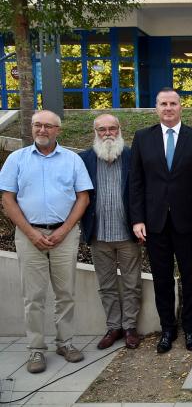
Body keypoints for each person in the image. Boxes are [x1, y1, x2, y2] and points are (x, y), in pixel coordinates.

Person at [0, 110, 93, 373]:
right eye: (37, 125)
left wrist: (64, 230)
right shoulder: (16, 160)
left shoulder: (72, 160)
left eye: (48, 126)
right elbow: (8, 200)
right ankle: (36, 350)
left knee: (66, 294)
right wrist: (31, 233)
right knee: (33, 297)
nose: (42, 130)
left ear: (58, 131)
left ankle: (65, 343)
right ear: (31, 128)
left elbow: (83, 197)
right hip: (29, 236)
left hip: (64, 235)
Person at [129, 88, 192, 353]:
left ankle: (190, 329)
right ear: (156, 107)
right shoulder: (142, 138)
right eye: (163, 103)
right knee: (161, 278)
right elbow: (136, 182)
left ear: (181, 107)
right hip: (154, 224)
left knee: (189, 277)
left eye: (172, 103)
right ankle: (167, 329)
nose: (168, 108)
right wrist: (137, 219)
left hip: (188, 223)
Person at [79, 114, 142, 350]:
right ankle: (113, 327)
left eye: (112, 128)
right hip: (98, 234)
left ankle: (130, 327)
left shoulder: (132, 156)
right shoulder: (84, 159)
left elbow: (140, 191)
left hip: (127, 233)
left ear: (119, 129)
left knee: (132, 283)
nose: (108, 133)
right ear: (95, 131)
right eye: (102, 129)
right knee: (105, 284)